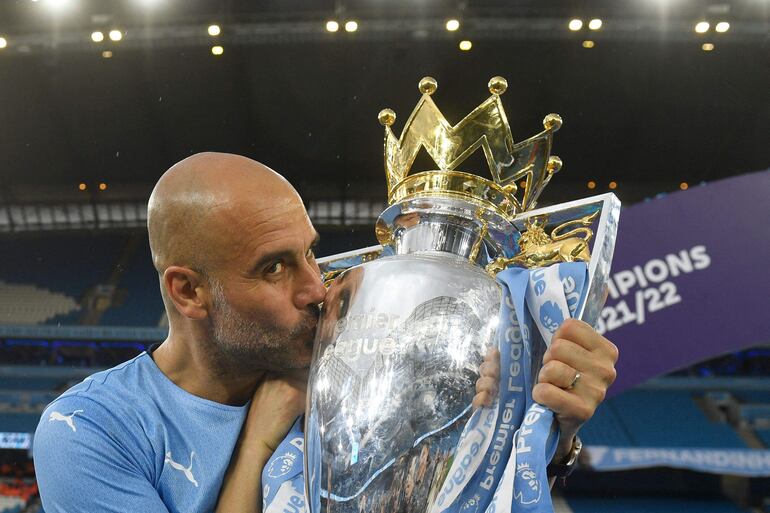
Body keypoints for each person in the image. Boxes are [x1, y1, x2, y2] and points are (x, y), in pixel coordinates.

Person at [33, 152, 619, 513]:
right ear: (188, 292)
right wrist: (255, 449)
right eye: (274, 268)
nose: (317, 288)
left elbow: (449, 493)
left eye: (310, 253)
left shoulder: (354, 357)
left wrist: (552, 421)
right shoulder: (90, 430)